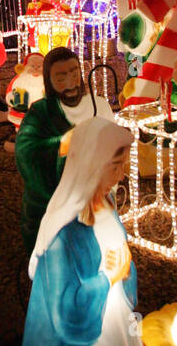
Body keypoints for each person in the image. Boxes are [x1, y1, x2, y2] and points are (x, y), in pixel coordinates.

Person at [12, 117, 155, 346]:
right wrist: (107, 278)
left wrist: (124, 272)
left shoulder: (107, 205)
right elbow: (66, 311)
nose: (120, 176)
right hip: (83, 341)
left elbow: (118, 253)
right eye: (115, 167)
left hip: (114, 319)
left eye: (123, 166)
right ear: (93, 165)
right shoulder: (64, 234)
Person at [15, 47, 114, 253]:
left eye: (74, 73)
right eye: (61, 78)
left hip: (95, 196)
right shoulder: (40, 113)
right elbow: (26, 152)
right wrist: (65, 143)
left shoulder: (100, 106)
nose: (70, 83)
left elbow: (112, 148)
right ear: (49, 81)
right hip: (55, 200)